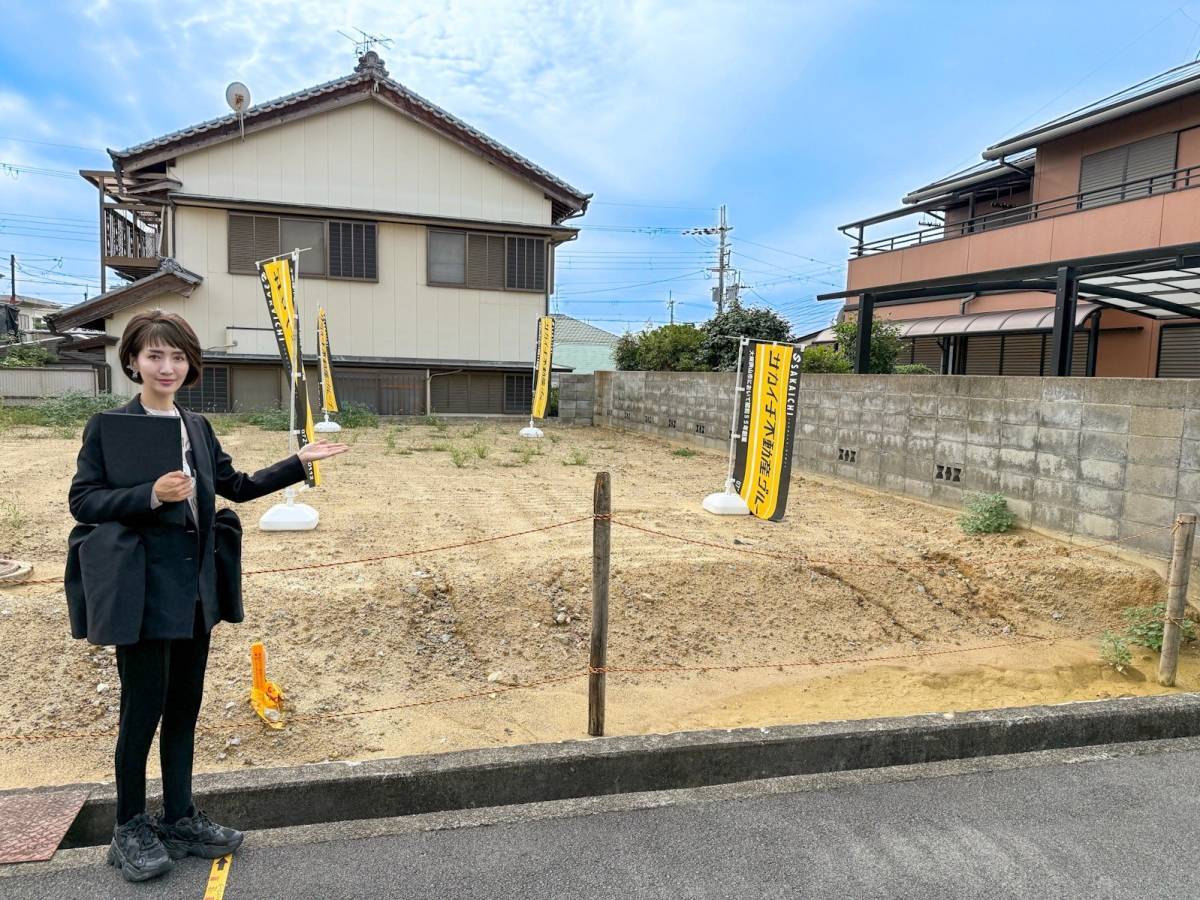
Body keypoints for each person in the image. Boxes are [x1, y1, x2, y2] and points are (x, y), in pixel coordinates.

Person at [67, 310, 348, 883]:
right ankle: (128, 828)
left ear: (190, 365)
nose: (166, 367)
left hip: (196, 594)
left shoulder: (196, 426)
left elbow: (236, 487)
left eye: (177, 357)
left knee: (184, 710)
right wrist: (148, 493)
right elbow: (84, 501)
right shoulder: (110, 427)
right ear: (133, 362)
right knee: (140, 713)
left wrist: (296, 464)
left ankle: (178, 817)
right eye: (154, 356)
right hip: (142, 594)